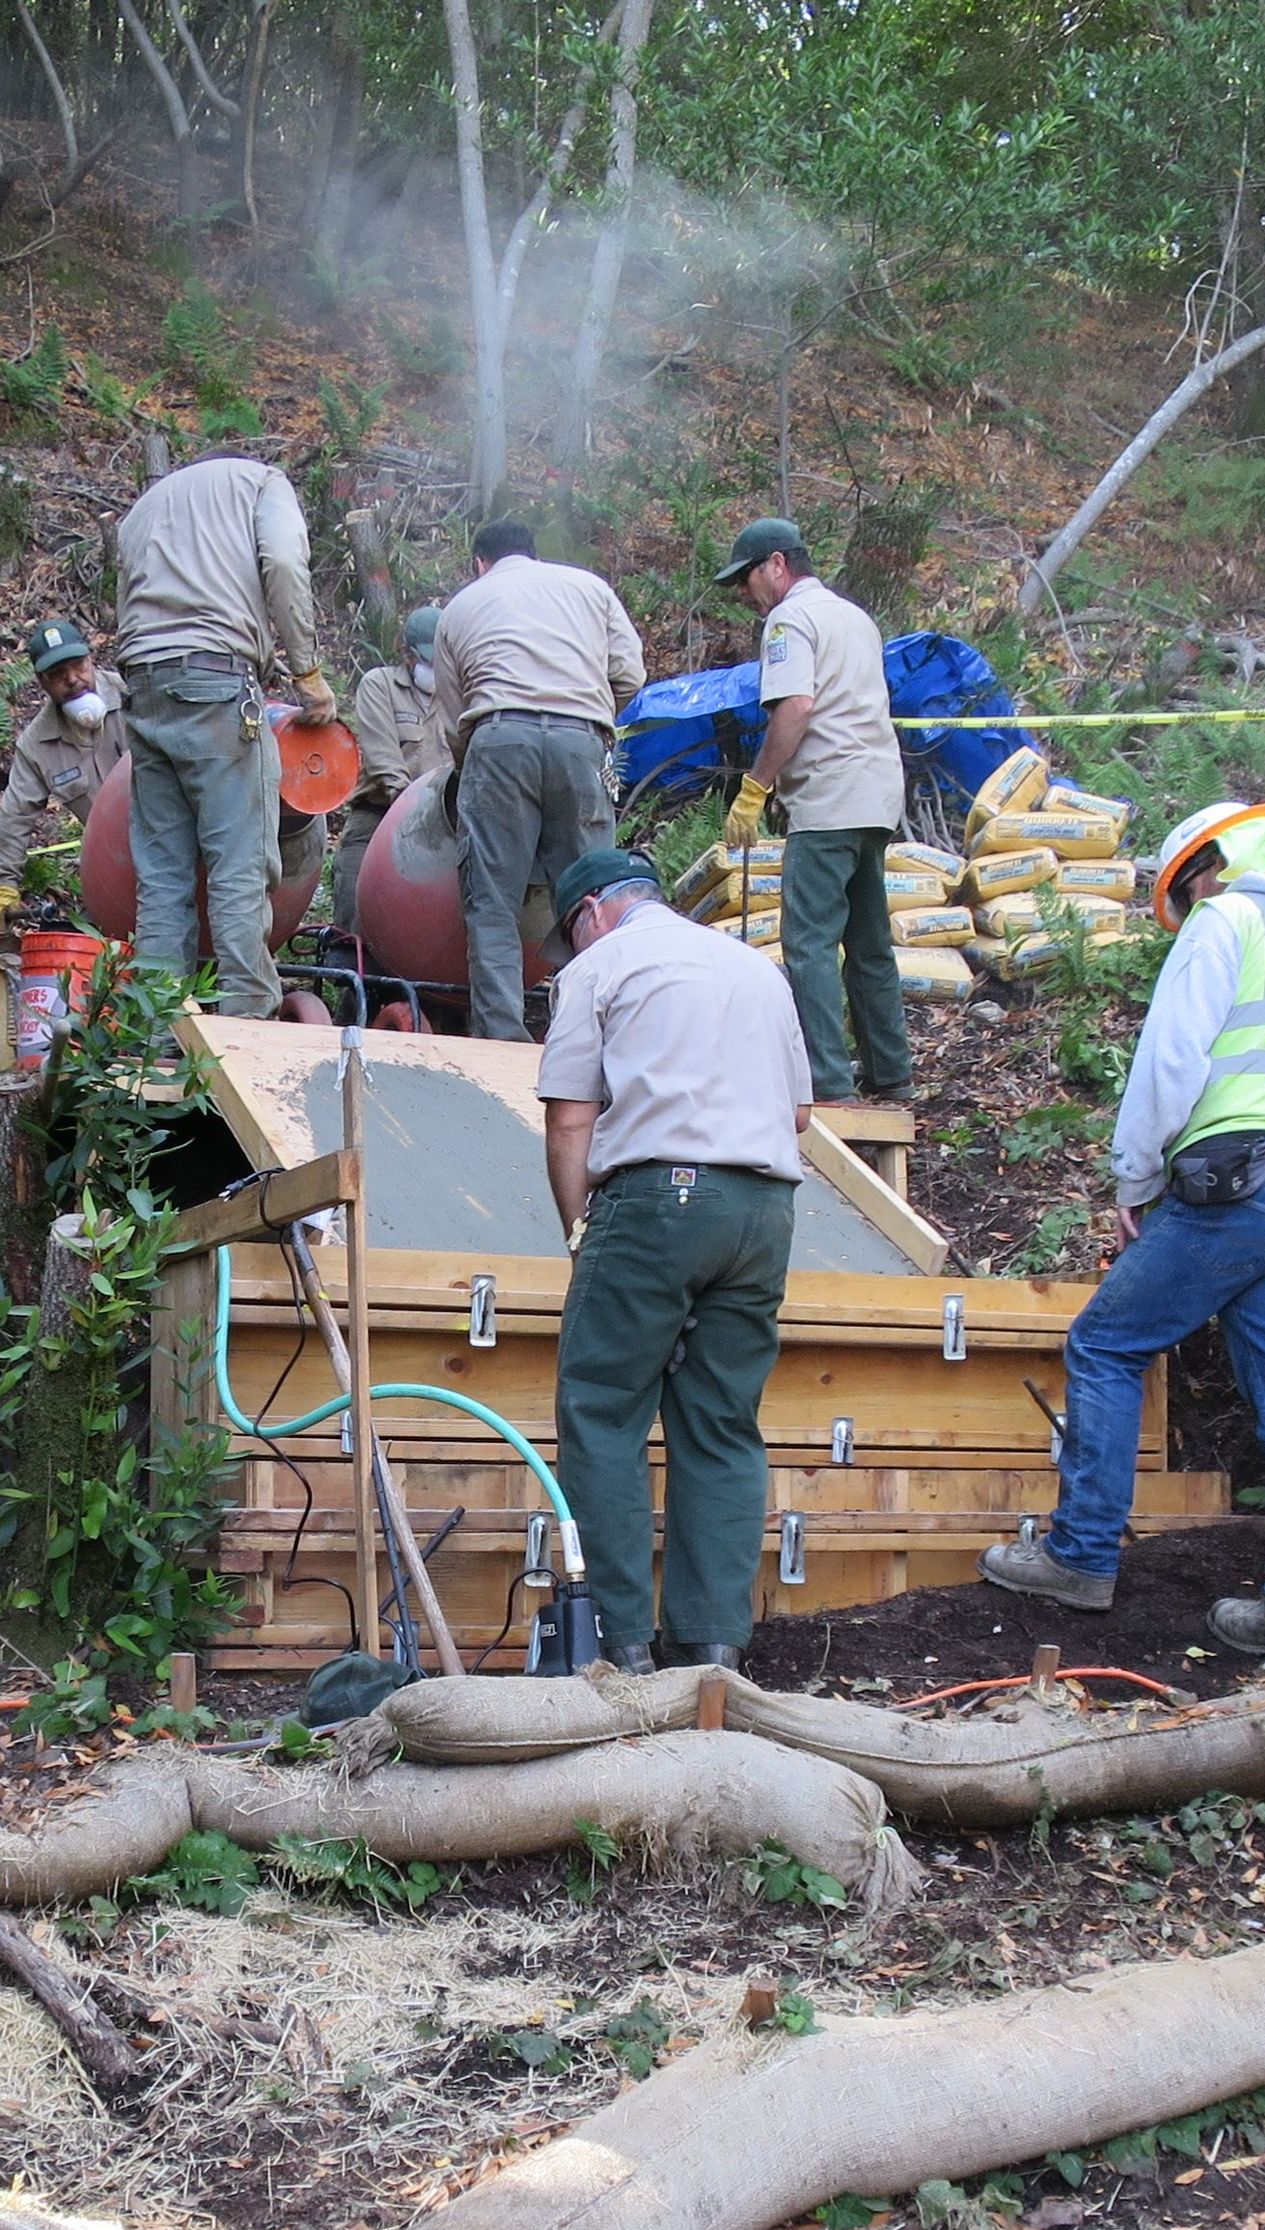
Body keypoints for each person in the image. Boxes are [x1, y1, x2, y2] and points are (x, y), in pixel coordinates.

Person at [979, 801, 1265, 1657]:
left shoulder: (1230, 917)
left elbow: (1171, 1058)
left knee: (1108, 1345)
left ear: (1206, 867)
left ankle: (1080, 1557)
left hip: (1235, 1184)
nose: (1184, 914)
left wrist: (1136, 1176)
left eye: (1182, 896)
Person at [536, 845, 813, 1677]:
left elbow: (568, 1121)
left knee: (602, 1410)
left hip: (658, 1199)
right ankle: (713, 1647)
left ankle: (620, 1648)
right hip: (763, 1212)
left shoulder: (601, 967)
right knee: (723, 1422)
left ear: (591, 914)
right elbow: (800, 1115)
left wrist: (580, 1228)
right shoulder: (756, 970)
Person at [113, 452, 329, 1016]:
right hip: (217, 685)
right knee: (240, 864)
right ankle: (247, 1034)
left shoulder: (144, 508)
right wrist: (306, 672)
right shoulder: (264, 484)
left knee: (161, 878)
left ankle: (152, 1039)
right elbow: (283, 562)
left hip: (141, 687)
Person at [714, 516, 909, 1106]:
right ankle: (891, 1074)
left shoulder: (790, 618)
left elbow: (797, 706)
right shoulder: (855, 616)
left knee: (810, 944)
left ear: (777, 564)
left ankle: (826, 1085)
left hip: (828, 801)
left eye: (747, 581)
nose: (746, 596)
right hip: (876, 799)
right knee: (870, 942)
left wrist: (757, 787)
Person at [433, 519, 646, 1041]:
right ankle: (596, 1032)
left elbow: (453, 716)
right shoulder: (590, 588)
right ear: (533, 551)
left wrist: (480, 770)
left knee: (492, 902)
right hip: (581, 741)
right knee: (593, 895)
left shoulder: (461, 606)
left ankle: (503, 1039)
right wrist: (585, 716)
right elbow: (631, 675)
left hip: (498, 737)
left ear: (480, 562)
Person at [0, 619, 123, 936]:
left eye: (78, 666)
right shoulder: (37, 745)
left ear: (90, 658)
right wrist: (4, 886)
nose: (72, 680)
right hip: (118, 867)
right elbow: (15, 814)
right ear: (41, 681)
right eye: (58, 674)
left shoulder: (135, 697)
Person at [332, 604, 440, 947]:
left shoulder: (460, 698)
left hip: (442, 831)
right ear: (406, 653)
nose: (433, 668)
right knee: (354, 923)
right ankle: (353, 991)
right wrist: (411, 811)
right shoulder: (379, 686)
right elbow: (384, 761)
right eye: (426, 659)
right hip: (378, 818)